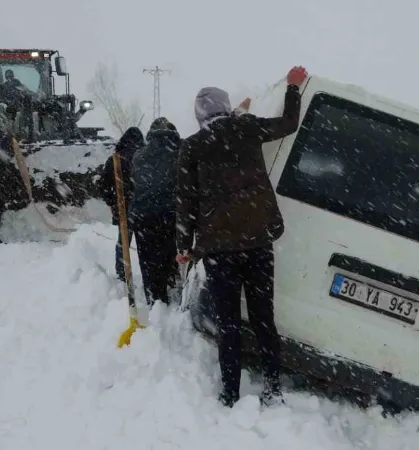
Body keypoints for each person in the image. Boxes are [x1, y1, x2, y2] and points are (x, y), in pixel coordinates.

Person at [175, 66, 307, 408]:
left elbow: (186, 201)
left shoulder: (192, 147)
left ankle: (230, 393)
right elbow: (289, 124)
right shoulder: (246, 128)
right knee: (264, 319)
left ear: (198, 115)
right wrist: (293, 88)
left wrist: (183, 247)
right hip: (257, 242)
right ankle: (273, 386)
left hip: (219, 251)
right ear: (226, 106)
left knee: (228, 324)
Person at [129, 117, 182, 307]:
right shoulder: (181, 151)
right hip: (170, 214)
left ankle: (154, 298)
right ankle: (169, 284)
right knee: (169, 253)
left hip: (143, 217)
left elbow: (134, 183)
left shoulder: (139, 155)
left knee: (148, 260)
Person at [100, 126, 146, 282]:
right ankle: (149, 273)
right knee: (145, 244)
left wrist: (113, 202)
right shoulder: (143, 158)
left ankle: (122, 273)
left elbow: (103, 187)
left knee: (123, 242)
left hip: (123, 209)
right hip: (143, 209)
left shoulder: (114, 159)